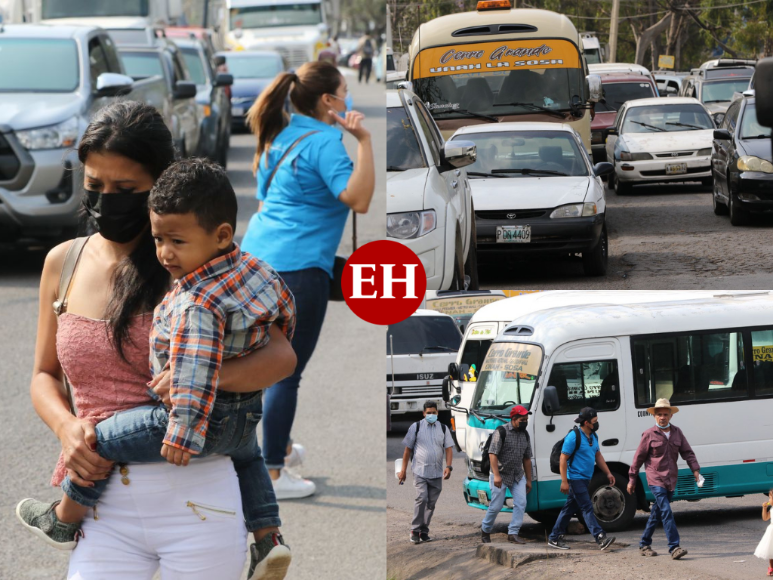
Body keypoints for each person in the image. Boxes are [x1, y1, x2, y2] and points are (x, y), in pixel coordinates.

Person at [19, 101, 297, 579]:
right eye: (94, 186)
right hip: (100, 508)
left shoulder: (196, 265)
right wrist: (68, 428)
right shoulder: (62, 263)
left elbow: (280, 356)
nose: (107, 200)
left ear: (160, 184)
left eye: (125, 189)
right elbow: (44, 375)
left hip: (199, 500)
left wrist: (199, 378)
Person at [243, 60, 374, 499]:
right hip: (298, 271)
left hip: (254, 262)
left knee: (258, 363)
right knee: (285, 371)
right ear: (327, 101)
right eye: (343, 91)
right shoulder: (326, 142)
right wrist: (365, 141)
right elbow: (359, 198)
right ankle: (273, 473)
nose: (347, 98)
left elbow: (267, 201)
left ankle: (273, 447)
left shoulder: (278, 135)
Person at [628, 398, 700, 560]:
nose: (662, 417)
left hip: (670, 479)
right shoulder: (648, 434)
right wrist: (632, 478)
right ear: (654, 416)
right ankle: (674, 547)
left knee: (657, 513)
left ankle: (644, 543)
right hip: (655, 479)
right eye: (659, 414)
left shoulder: (677, 433)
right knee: (666, 510)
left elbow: (687, 453)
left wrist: (695, 470)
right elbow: (638, 458)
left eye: (665, 414)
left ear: (670, 416)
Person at [548, 407, 616, 551]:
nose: (597, 424)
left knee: (568, 509)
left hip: (586, 479)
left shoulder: (593, 436)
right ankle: (600, 537)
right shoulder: (573, 436)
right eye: (594, 421)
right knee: (587, 507)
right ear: (586, 422)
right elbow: (562, 458)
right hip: (575, 478)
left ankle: (554, 537)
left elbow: (598, 456)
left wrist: (608, 473)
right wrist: (564, 481)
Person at [397, 401, 454, 544]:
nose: (431, 415)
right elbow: (407, 450)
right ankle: (415, 530)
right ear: (423, 413)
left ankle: (424, 531)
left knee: (431, 504)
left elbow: (448, 449)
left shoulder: (443, 428)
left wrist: (449, 466)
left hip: (436, 473)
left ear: (437, 413)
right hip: (420, 471)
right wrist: (403, 470)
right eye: (428, 413)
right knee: (422, 498)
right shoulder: (415, 427)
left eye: (434, 412)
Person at [480, 405, 532, 544]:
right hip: (501, 474)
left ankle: (513, 533)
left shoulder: (525, 434)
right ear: (514, 419)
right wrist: (496, 475)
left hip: (517, 475)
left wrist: (529, 479)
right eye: (522, 419)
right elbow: (493, 454)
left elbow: (527, 458)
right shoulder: (501, 432)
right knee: (496, 506)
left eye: (526, 419)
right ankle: (485, 530)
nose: (525, 422)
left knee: (521, 503)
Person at [754, 488, 773, 576]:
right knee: (771, 551)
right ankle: (771, 567)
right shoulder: (772, 509)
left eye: (770, 498)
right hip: (771, 531)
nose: (769, 500)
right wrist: (764, 509)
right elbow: (765, 518)